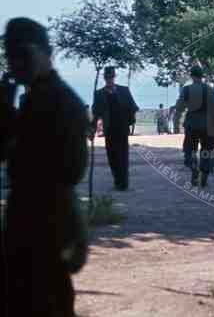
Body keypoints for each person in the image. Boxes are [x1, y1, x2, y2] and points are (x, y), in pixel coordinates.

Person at [1, 17, 89, 317]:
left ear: (42, 53)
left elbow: (68, 172)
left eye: (20, 55)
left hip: (45, 223)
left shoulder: (57, 101)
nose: (14, 64)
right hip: (31, 221)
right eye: (10, 55)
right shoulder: (37, 97)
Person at [92, 66, 139, 190]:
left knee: (123, 155)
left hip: (122, 128)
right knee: (112, 156)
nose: (109, 80)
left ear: (114, 76)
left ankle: (123, 183)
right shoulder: (99, 94)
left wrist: (129, 122)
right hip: (109, 128)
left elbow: (133, 107)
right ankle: (117, 180)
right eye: (107, 77)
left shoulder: (124, 90)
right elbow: (96, 113)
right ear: (104, 78)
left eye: (111, 77)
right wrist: (92, 130)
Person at [180, 66, 214, 187]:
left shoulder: (186, 89)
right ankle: (204, 179)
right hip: (208, 125)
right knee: (207, 151)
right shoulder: (209, 89)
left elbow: (181, 107)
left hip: (192, 124)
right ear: (202, 76)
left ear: (191, 76)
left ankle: (193, 166)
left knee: (189, 149)